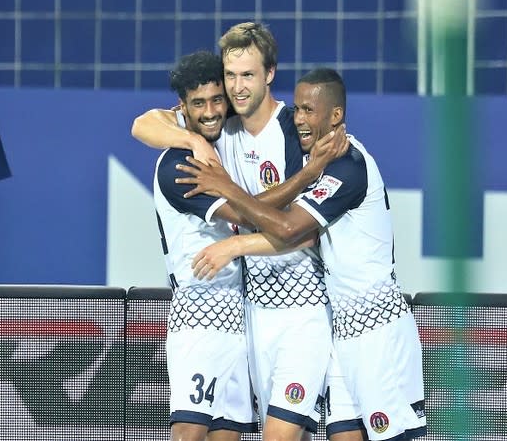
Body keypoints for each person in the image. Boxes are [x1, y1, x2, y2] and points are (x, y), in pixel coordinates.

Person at [176, 68, 428, 441]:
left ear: (336, 116)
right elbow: (295, 232)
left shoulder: (349, 166)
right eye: (297, 110)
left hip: (378, 328)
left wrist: (229, 203)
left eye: (310, 111)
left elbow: (291, 228)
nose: (300, 120)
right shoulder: (323, 168)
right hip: (343, 329)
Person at [132, 22, 349, 441]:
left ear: (269, 74)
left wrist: (236, 243)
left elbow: (302, 229)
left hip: (300, 306)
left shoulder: (292, 126)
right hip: (231, 313)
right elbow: (142, 123)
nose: (230, 92)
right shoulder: (204, 140)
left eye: (245, 76)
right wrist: (188, 140)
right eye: (230, 77)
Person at [150, 50, 260, 441]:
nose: (211, 111)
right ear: (183, 108)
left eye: (218, 100)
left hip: (241, 318)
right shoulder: (178, 165)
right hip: (200, 314)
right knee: (189, 433)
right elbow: (247, 216)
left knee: (229, 434)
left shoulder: (228, 143)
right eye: (199, 104)